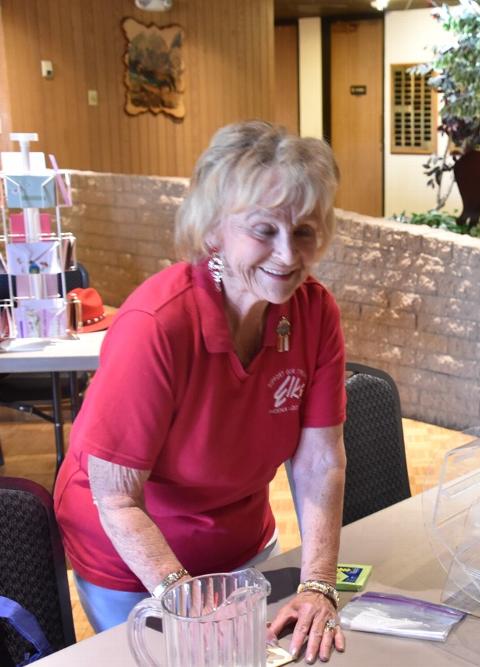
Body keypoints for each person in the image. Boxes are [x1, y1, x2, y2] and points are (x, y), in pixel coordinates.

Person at [55, 121, 348, 663]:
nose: (287, 256)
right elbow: (116, 495)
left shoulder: (314, 312)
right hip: (134, 561)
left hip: (240, 542)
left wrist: (319, 584)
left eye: (304, 231)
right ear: (214, 228)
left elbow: (320, 461)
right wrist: (182, 600)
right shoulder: (157, 324)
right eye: (265, 230)